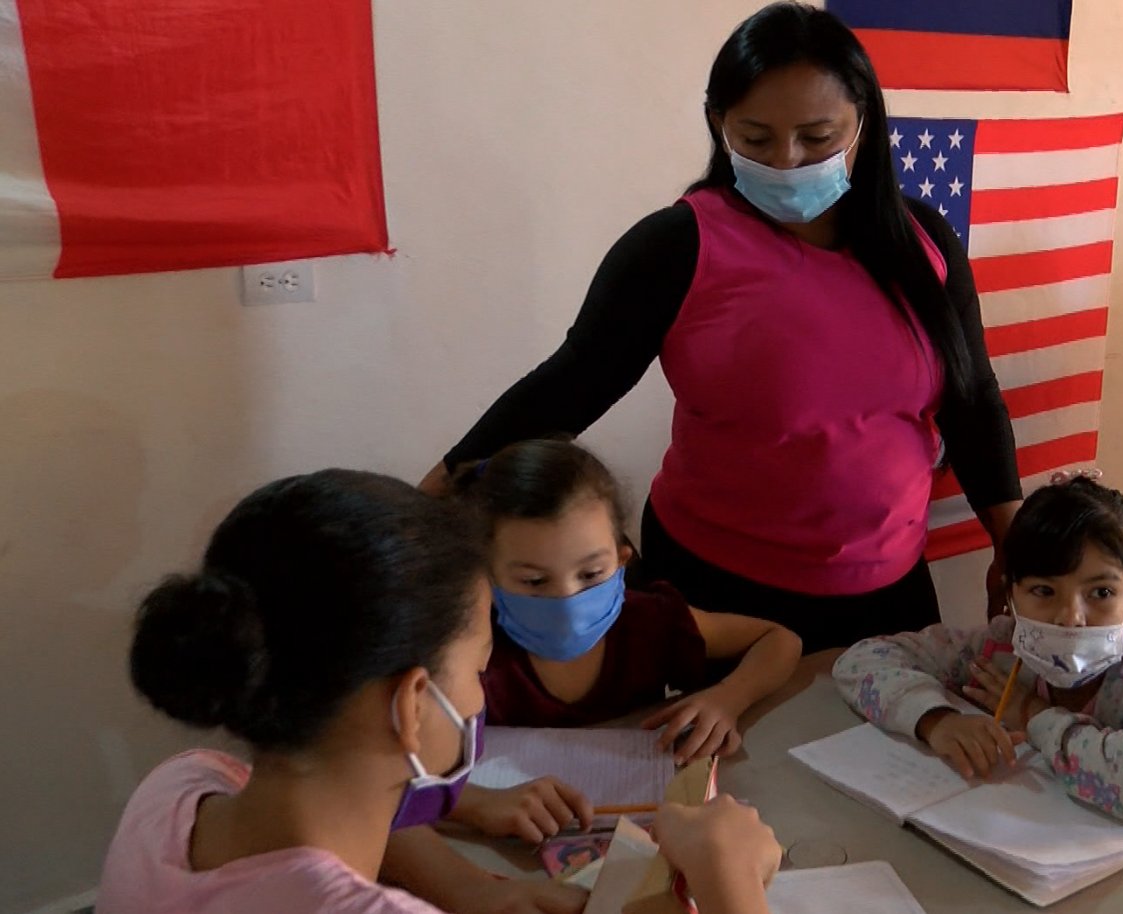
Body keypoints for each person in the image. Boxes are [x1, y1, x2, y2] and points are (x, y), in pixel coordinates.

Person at [418, 2, 1022, 652]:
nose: (787, 161)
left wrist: (1016, 542)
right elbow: (568, 388)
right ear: (718, 122)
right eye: (757, 139)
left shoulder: (923, 242)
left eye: (817, 138)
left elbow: (972, 400)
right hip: (716, 595)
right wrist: (426, 509)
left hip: (889, 591)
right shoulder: (678, 247)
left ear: (864, 125)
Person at [99, 470, 781, 914]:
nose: (481, 698)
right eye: (478, 664)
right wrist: (730, 882)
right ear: (411, 704)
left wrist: (473, 892)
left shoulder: (183, 789)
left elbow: (349, 819)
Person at [446, 439, 802, 845]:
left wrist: (729, 698)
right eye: (534, 581)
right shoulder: (463, 649)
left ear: (621, 558)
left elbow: (779, 639)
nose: (566, 599)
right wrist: (476, 803)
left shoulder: (648, 620)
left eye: (591, 574)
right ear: (485, 577)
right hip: (506, 850)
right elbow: (387, 772)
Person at [832, 474, 1123, 826]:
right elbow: (859, 662)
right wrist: (936, 720)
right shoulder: (1003, 647)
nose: (1070, 618)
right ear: (1009, 596)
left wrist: (1031, 714)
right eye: (1044, 591)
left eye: (1101, 593)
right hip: (1039, 834)